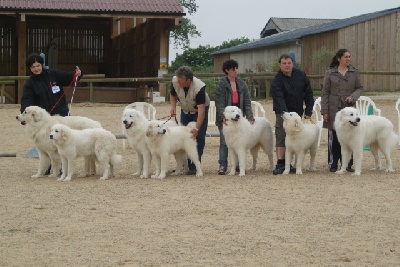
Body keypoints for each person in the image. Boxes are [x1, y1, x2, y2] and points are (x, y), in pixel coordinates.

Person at [20, 53, 82, 175]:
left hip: (62, 115)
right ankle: (50, 167)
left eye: (38, 65)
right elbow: (26, 101)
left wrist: (77, 74)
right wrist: (24, 114)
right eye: (33, 67)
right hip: (45, 120)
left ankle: (64, 168)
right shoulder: (30, 83)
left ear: (42, 65)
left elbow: (68, 77)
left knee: (64, 141)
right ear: (30, 69)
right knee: (48, 145)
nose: (36, 68)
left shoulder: (52, 74)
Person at [271, 53, 314, 175]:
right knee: (281, 136)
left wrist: (309, 110)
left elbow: (309, 93)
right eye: (284, 63)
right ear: (280, 65)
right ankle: (281, 163)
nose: (287, 65)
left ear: (292, 63)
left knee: (297, 136)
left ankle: (294, 164)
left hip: (297, 113)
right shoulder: (276, 81)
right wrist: (286, 116)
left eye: (289, 63)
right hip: (282, 113)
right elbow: (279, 99)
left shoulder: (301, 75)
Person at [321, 48, 363, 172]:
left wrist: (353, 96)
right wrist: (325, 111)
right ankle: (333, 163)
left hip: (349, 107)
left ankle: (348, 164)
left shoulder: (354, 72)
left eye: (349, 57)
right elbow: (325, 92)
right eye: (346, 57)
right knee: (333, 136)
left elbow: (359, 88)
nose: (348, 59)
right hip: (333, 107)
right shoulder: (330, 72)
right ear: (339, 58)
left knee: (351, 136)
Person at [215, 59, 254, 175]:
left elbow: (247, 101)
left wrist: (250, 117)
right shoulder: (222, 84)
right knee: (224, 141)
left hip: (239, 116)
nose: (235, 71)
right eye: (233, 69)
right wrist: (223, 116)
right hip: (227, 116)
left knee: (239, 142)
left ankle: (238, 165)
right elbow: (219, 102)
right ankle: (222, 164)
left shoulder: (242, 84)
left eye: (236, 68)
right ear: (227, 70)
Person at [170, 66, 210, 175]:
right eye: (177, 79)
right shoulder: (175, 81)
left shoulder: (199, 87)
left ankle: (195, 165)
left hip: (199, 110)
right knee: (184, 135)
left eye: (180, 80)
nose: (178, 81)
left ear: (188, 80)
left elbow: (201, 110)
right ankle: (185, 165)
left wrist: (197, 128)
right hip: (185, 110)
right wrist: (173, 107)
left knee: (198, 136)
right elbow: (173, 94)